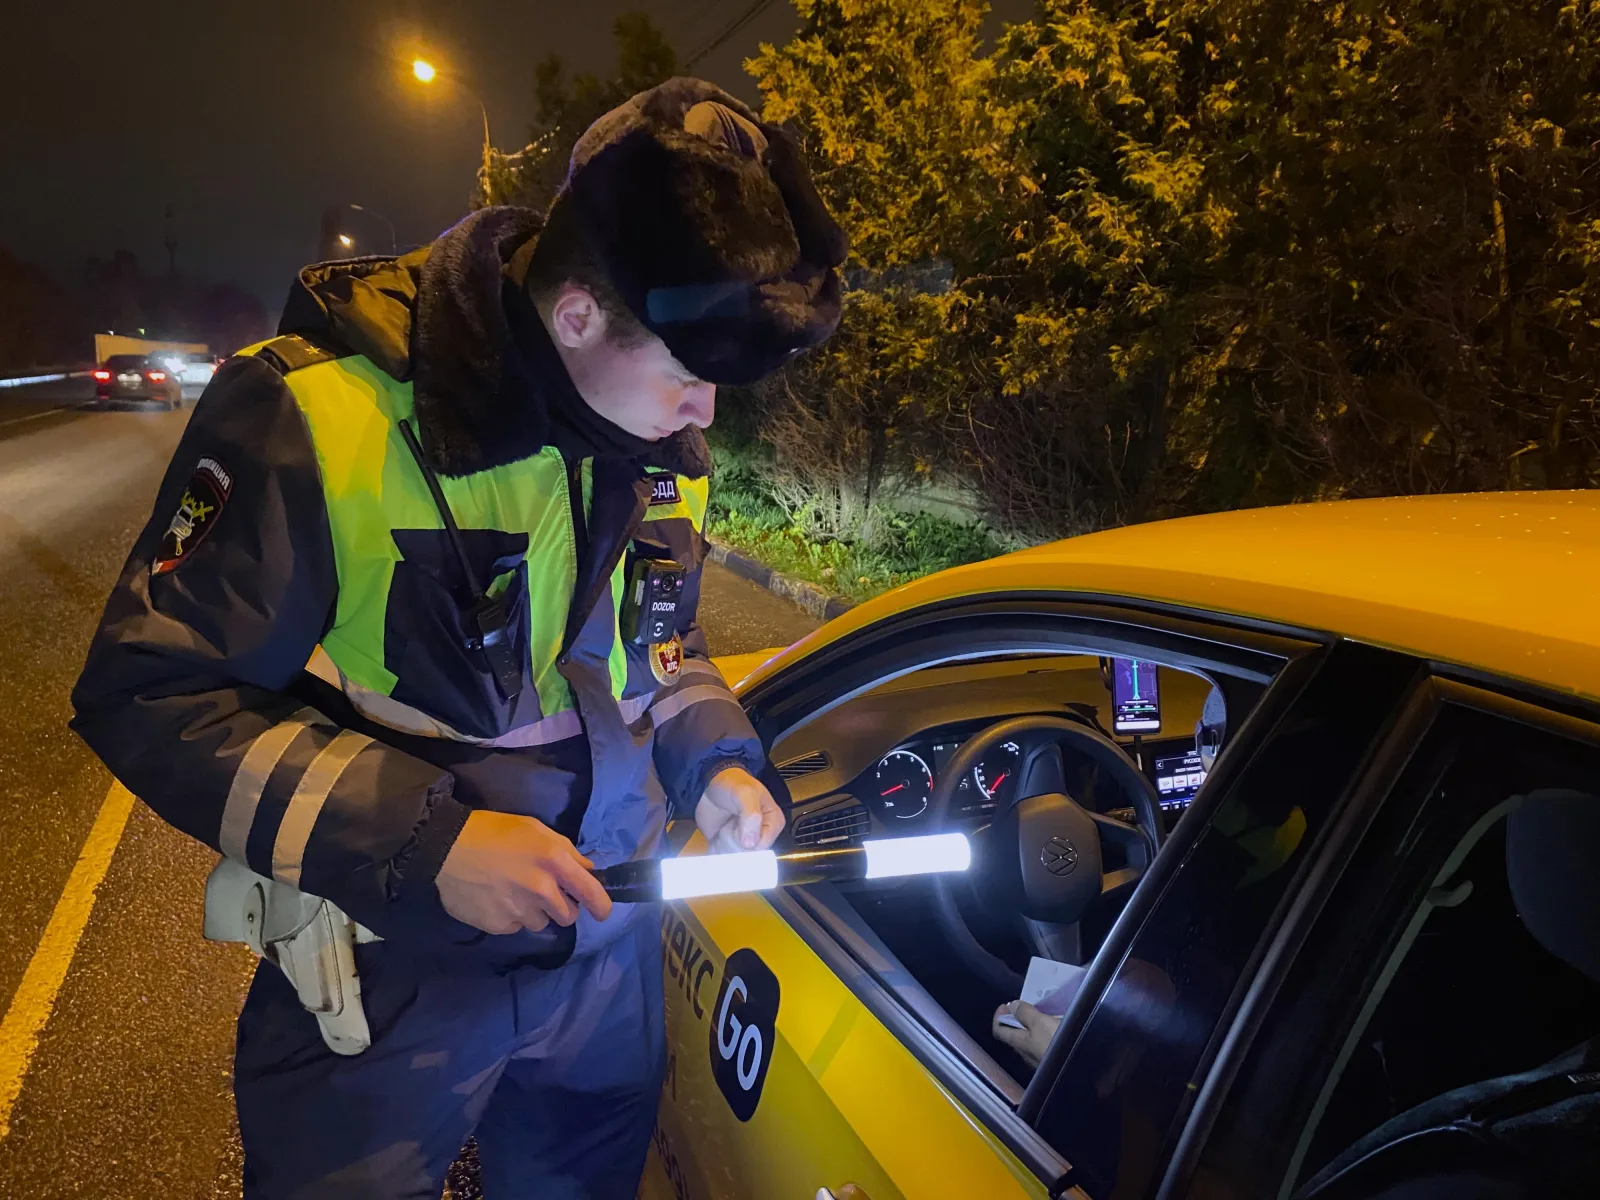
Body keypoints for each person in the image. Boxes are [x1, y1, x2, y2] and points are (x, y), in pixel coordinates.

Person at [69, 77, 846, 1199]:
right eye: (689, 379)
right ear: (577, 313)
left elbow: (656, 655)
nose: (705, 419)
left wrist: (714, 759)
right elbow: (150, 690)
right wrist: (428, 842)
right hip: (388, 973)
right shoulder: (318, 413)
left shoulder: (657, 446)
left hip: (605, 957)